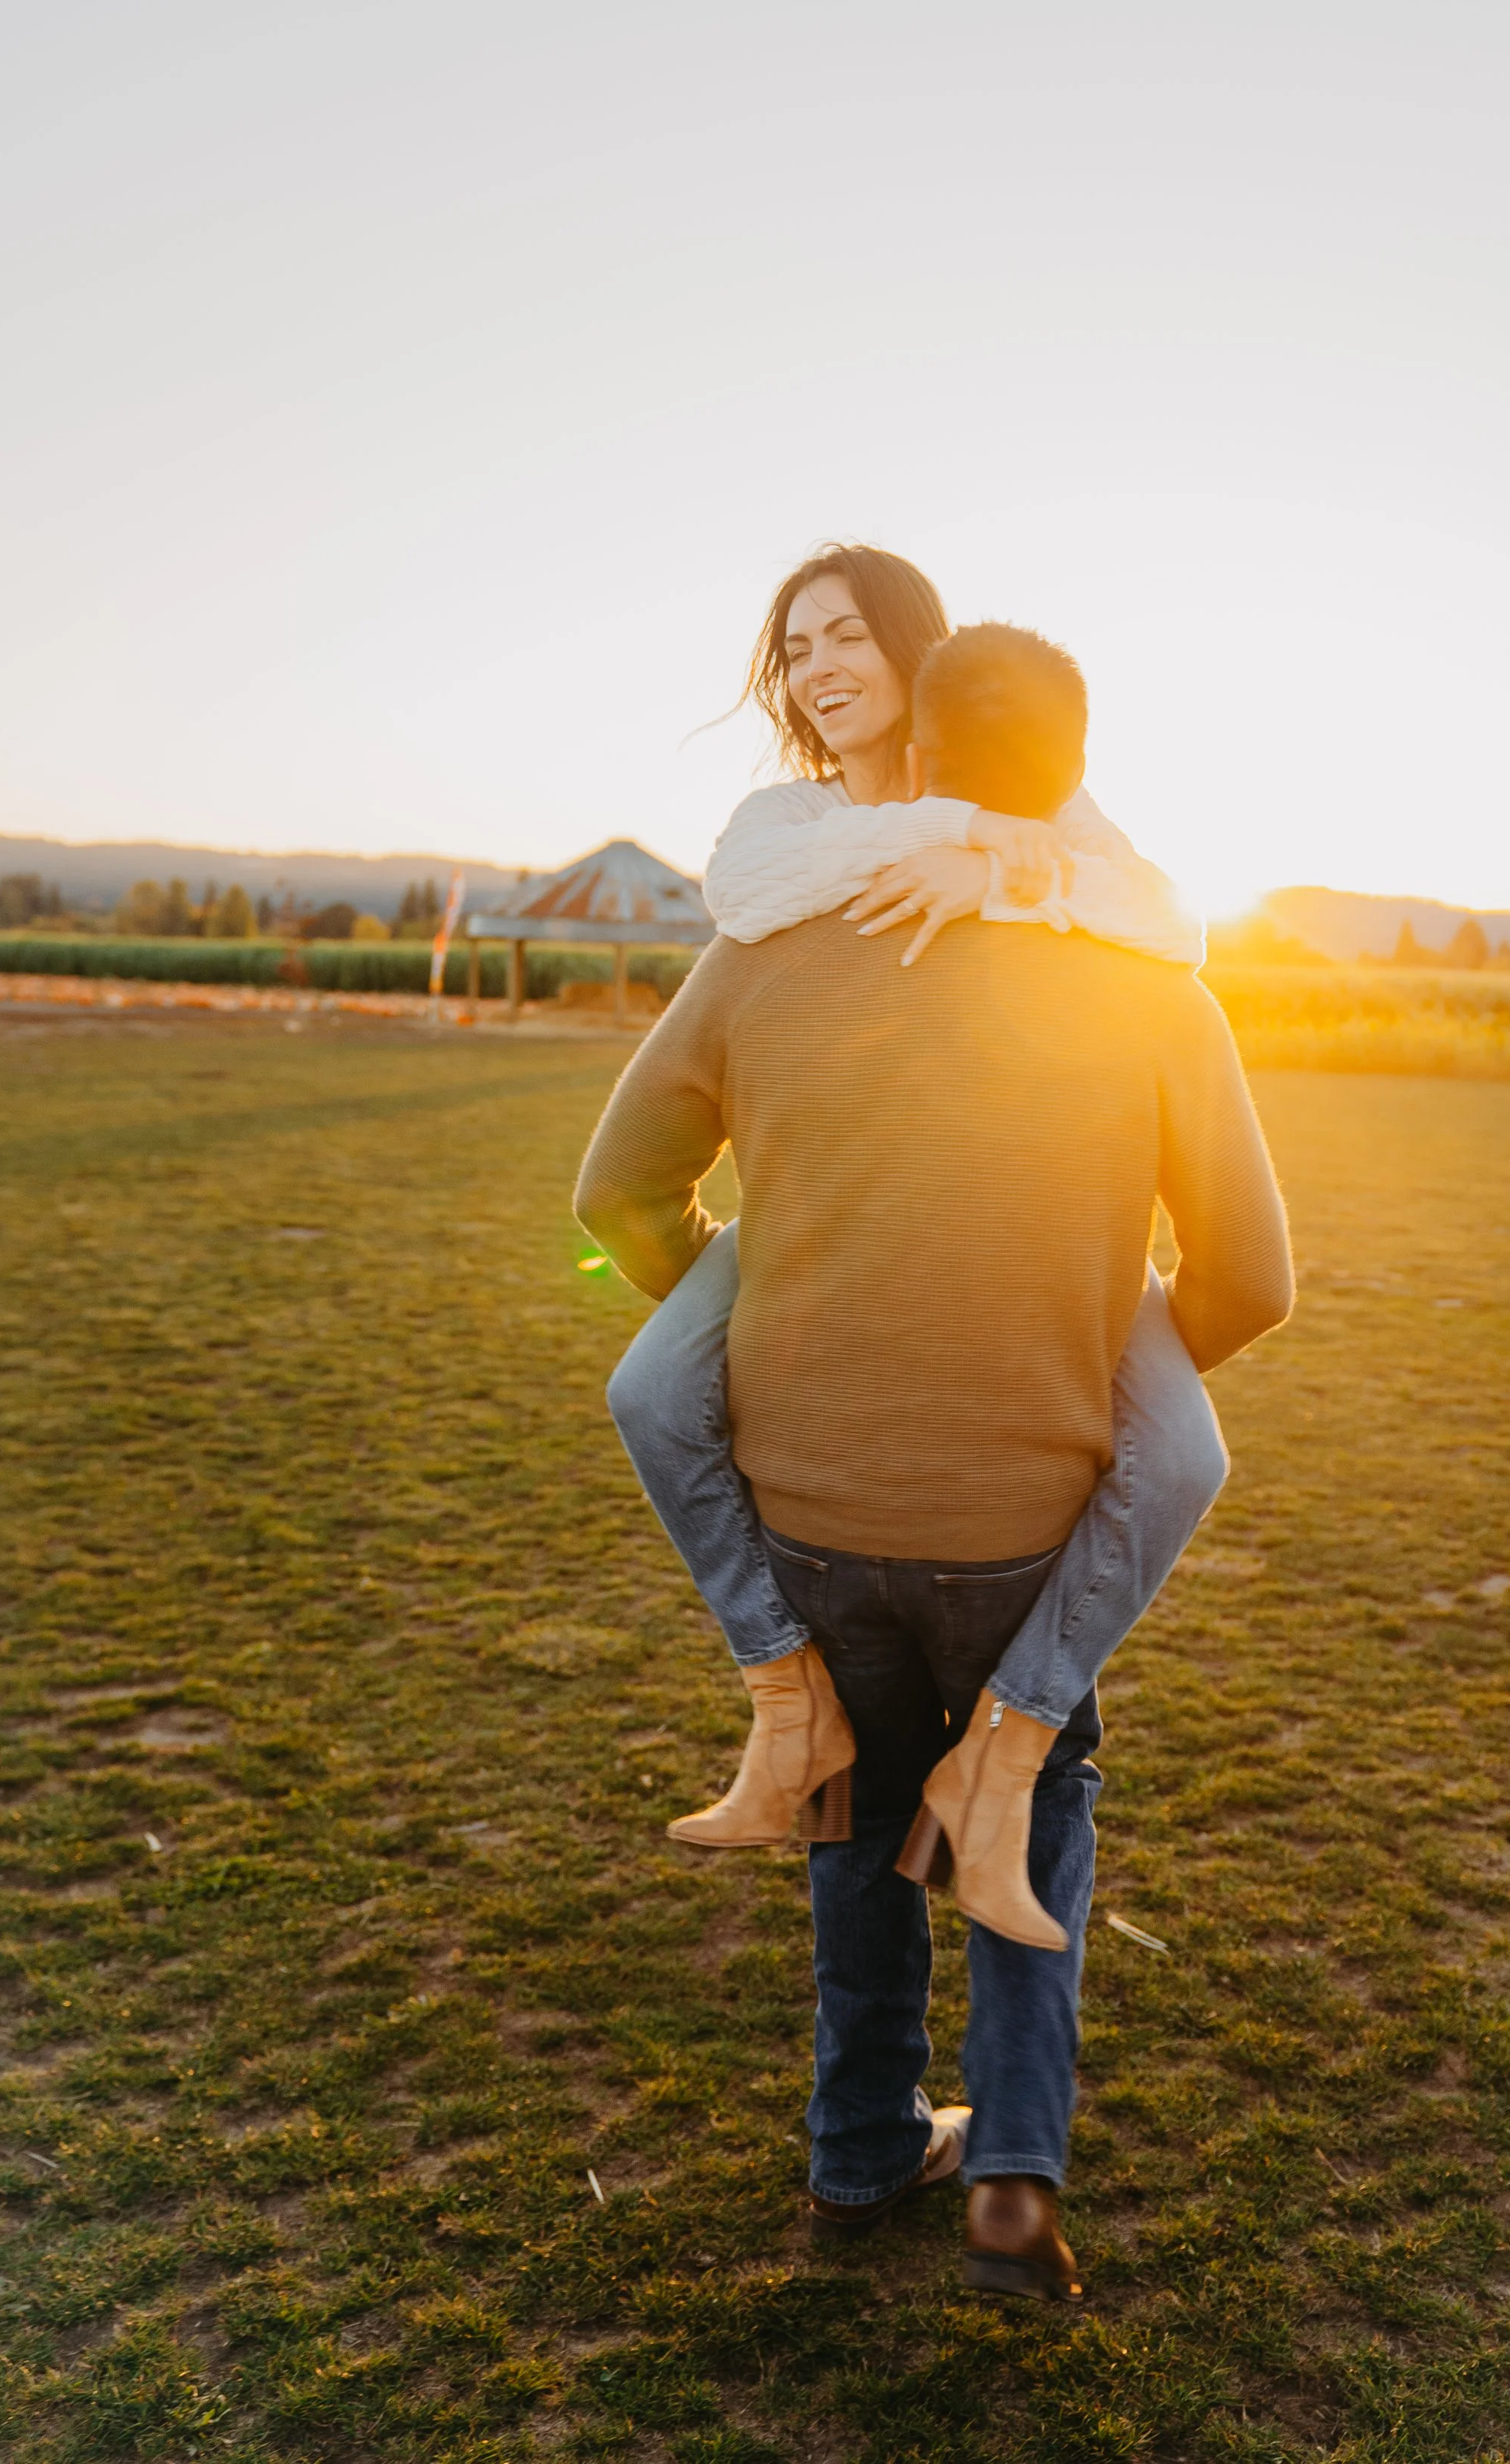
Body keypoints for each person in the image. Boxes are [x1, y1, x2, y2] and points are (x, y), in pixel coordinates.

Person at [575, 622, 1292, 2299]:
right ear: (1081, 765)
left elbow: (617, 1196)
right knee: (1026, 1811)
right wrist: (1065, 1343)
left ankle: (851, 2155)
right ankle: (1013, 2186)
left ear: (917, 754)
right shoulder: (1154, 985)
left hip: (812, 1510)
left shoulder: (765, 948)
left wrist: (781, 1320)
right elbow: (1253, 1283)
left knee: (856, 1809)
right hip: (1028, 1519)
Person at [607, 546, 1233, 1888]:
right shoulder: (791, 827)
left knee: (1184, 1454)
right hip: (819, 1221)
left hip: (1026, 1238)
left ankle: (999, 1743)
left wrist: (1010, 876)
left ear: (921, 658)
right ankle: (784, 1694)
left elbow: (1170, 914)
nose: (817, 670)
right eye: (796, 650)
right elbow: (748, 901)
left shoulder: (1049, 819)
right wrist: (943, 848)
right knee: (652, 1386)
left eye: (844, 638)